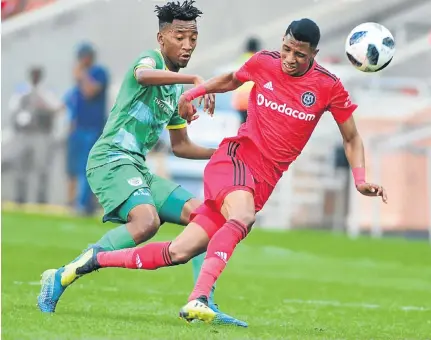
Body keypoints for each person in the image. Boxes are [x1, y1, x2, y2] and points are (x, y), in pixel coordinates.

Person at [58, 18, 389, 324]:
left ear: (313, 54)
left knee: (177, 252)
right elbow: (232, 79)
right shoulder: (264, 62)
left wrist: (360, 180)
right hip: (235, 159)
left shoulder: (329, 87)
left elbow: (352, 137)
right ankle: (199, 298)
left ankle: (91, 261)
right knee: (243, 217)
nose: (289, 58)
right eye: (286, 49)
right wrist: (193, 92)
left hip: (263, 180)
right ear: (282, 43)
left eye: (299, 55)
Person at [37, 0, 247, 327]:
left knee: (207, 217)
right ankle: (64, 275)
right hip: (110, 160)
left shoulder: (174, 92)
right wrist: (195, 79)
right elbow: (142, 74)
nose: (188, 44)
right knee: (146, 221)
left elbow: (181, 146)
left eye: (193, 37)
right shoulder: (149, 60)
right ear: (162, 38)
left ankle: (202, 300)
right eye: (180, 36)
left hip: (136, 168)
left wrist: (223, 150)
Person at [66, 43, 109, 215]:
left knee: (88, 167)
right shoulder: (82, 77)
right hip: (79, 128)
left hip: (93, 128)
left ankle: (85, 205)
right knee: (75, 167)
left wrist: (82, 76)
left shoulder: (99, 73)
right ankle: (77, 202)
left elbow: (90, 92)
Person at [8, 66, 61, 204]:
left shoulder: (47, 91)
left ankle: (41, 199)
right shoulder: (22, 90)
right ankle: (20, 198)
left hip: (41, 134)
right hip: (24, 134)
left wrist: (41, 100)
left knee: (42, 167)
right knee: (21, 167)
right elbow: (13, 108)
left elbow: (55, 107)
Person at [232, 37, 262, 123]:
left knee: (243, 125)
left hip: (239, 100)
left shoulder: (240, 60)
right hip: (252, 100)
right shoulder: (258, 59)